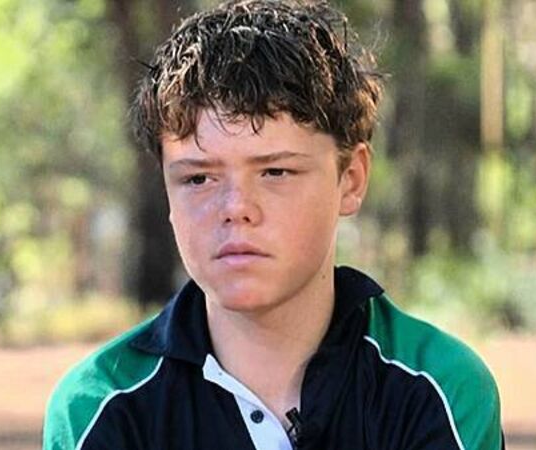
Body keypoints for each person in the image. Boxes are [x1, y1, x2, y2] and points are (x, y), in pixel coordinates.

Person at [43, 0, 504, 449]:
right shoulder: (102, 409)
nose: (236, 208)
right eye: (198, 178)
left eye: (275, 172)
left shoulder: (436, 390)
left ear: (351, 179)